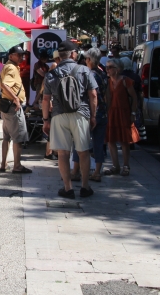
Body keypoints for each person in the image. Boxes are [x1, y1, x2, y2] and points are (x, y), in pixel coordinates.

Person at [42, 41, 98, 199]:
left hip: (59, 116)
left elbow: (46, 99)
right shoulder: (84, 70)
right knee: (83, 152)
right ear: (73, 54)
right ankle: (85, 187)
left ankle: (68, 188)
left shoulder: (51, 74)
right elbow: (93, 95)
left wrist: (46, 120)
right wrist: (93, 116)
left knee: (62, 154)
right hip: (80, 114)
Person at [69, 48, 108, 182]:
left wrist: (92, 114)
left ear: (89, 60)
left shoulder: (88, 74)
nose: (85, 61)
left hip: (89, 112)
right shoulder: (103, 73)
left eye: (86, 59)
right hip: (103, 112)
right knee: (99, 143)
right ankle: (97, 172)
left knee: (79, 141)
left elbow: (92, 95)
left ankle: (75, 171)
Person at [0, 46, 32, 174]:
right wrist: (16, 99)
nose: (21, 57)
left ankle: (3, 164)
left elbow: (1, 83)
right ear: (11, 56)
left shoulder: (8, 66)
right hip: (12, 107)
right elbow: (5, 84)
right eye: (18, 55)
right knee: (18, 137)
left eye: (22, 55)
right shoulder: (11, 68)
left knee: (6, 137)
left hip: (7, 105)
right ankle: (17, 166)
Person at [104, 58, 138, 177]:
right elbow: (107, 100)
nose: (107, 69)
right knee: (110, 140)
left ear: (117, 69)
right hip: (111, 113)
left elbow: (134, 98)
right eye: (106, 67)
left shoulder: (126, 81)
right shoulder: (108, 82)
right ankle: (115, 166)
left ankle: (126, 165)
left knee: (124, 141)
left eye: (110, 67)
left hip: (123, 113)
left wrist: (133, 113)